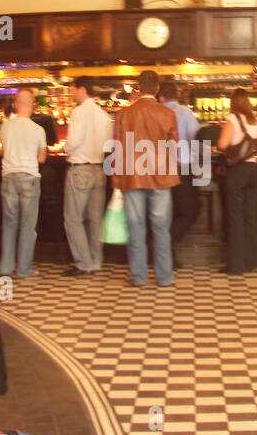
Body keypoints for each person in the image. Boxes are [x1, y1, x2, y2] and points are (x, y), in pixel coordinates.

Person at [110, 70, 179, 287]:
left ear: (138, 89)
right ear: (157, 89)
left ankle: (138, 277)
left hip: (133, 178)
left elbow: (118, 151)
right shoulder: (167, 114)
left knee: (136, 228)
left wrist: (117, 182)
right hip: (161, 178)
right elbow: (173, 148)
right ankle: (164, 277)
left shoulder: (123, 115)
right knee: (161, 228)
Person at [217, 88, 257, 274]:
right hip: (252, 170)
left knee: (236, 216)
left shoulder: (233, 120)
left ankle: (236, 264)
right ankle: (252, 261)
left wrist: (224, 132)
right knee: (251, 216)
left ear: (233, 102)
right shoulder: (256, 121)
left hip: (237, 171)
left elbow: (222, 145)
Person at [62, 76, 111, 276]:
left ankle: (84, 263)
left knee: (73, 219)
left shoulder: (78, 112)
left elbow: (73, 142)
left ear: (82, 89)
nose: (73, 94)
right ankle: (96, 261)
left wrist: (65, 148)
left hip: (80, 169)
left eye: (73, 89)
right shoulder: (103, 114)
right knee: (95, 219)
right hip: (99, 169)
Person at [0, 87, 47, 279]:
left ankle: (5, 267)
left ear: (15, 104)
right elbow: (41, 159)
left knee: (9, 224)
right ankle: (24, 269)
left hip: (9, 177)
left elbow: (3, 150)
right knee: (27, 225)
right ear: (33, 105)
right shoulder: (38, 129)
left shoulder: (5, 127)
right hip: (29, 177)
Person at [159, 80, 200, 269]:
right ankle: (165, 246)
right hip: (182, 168)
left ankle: (166, 252)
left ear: (161, 96)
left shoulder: (156, 113)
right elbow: (196, 141)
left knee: (168, 213)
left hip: (158, 169)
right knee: (190, 211)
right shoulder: (185, 113)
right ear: (177, 96)